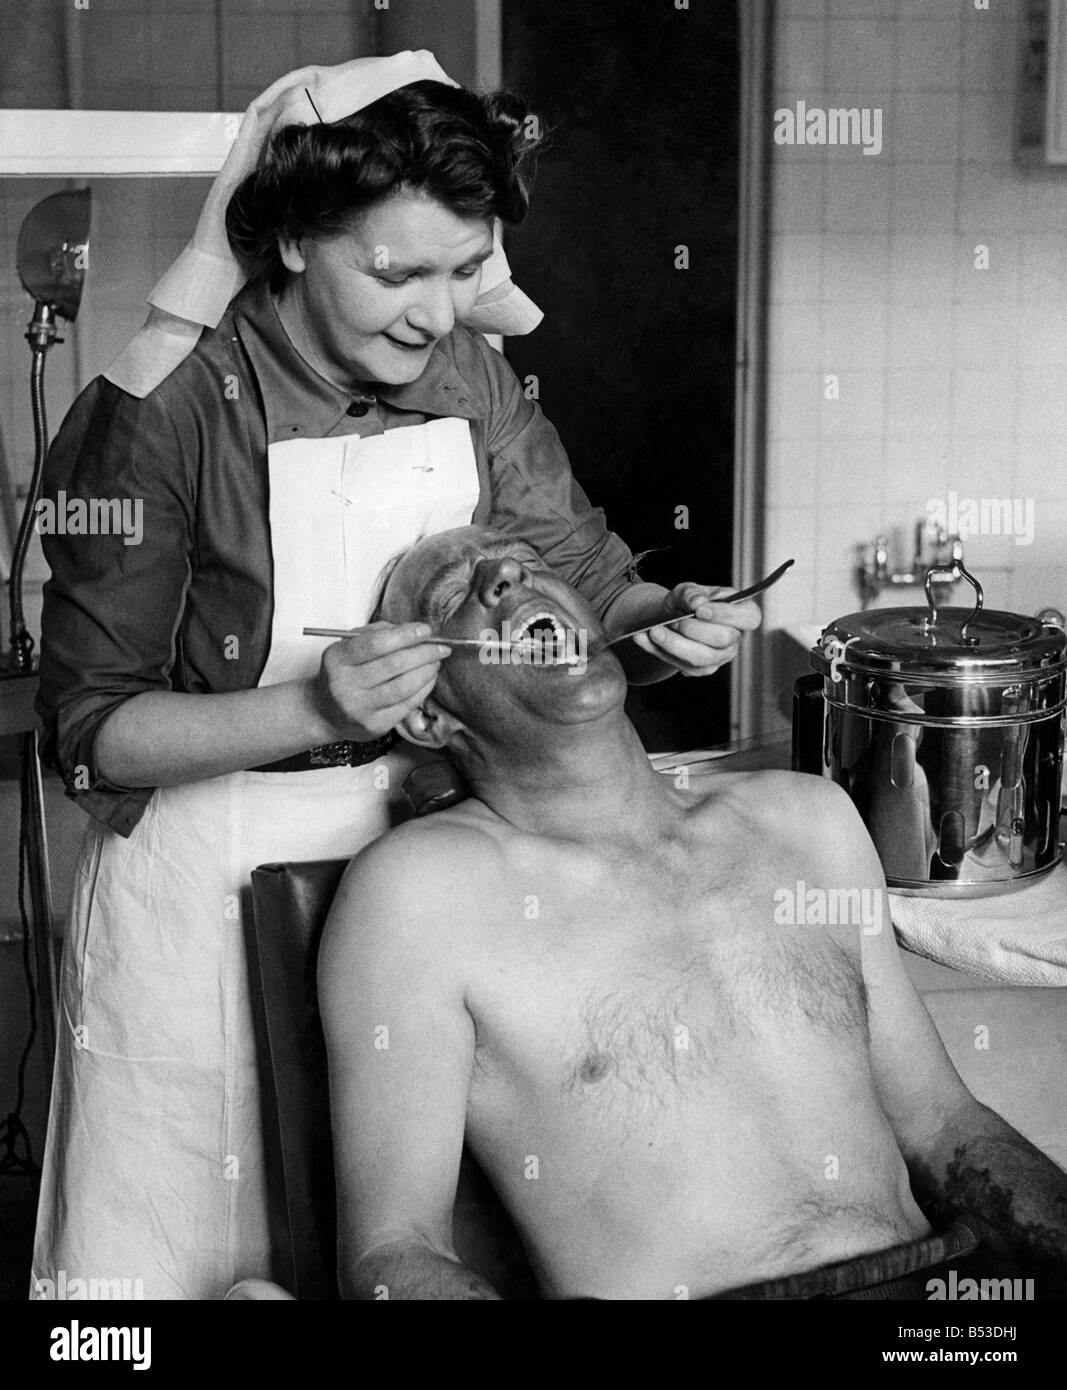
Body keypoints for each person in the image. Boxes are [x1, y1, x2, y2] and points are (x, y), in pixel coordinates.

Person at [31, 56, 758, 1300]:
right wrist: (311, 707)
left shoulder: (466, 373)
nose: (433, 313)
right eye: (395, 273)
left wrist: (660, 615)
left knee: (388, 1242)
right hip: (204, 886)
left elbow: (574, 561)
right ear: (298, 242)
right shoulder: (161, 412)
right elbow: (88, 731)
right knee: (183, 1268)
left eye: (460, 268)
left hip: (419, 868)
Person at [315, 526, 1067, 1300]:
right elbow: (389, 1250)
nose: (505, 575)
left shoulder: (806, 820)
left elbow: (943, 1124)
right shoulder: (420, 893)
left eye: (530, 565)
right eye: (454, 597)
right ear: (427, 719)